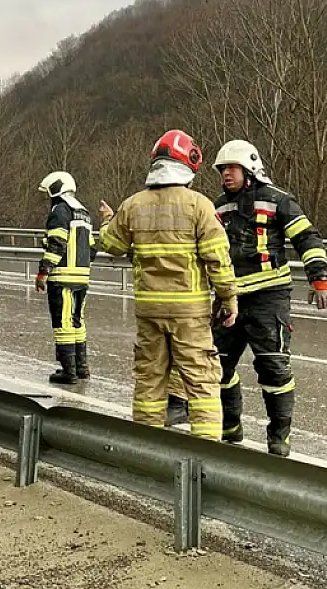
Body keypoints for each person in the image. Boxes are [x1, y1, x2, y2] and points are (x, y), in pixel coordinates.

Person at [165, 140, 327, 457]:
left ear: (250, 169)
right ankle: (230, 428)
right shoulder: (217, 207)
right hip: (229, 300)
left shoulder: (278, 200)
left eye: (232, 168)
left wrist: (319, 278)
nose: (225, 174)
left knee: (273, 368)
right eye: (222, 170)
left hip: (269, 299)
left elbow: (307, 237)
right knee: (217, 366)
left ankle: (278, 438)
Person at [95, 130, 237, 440]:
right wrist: (229, 299)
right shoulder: (199, 206)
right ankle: (206, 451)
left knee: (149, 380)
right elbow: (218, 259)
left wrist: (107, 219)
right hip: (189, 313)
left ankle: (147, 450)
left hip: (149, 310)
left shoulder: (133, 205)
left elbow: (111, 244)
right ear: (188, 165)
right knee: (201, 382)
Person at [34, 171, 96, 384]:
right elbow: (92, 250)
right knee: (77, 321)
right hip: (81, 278)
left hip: (63, 277)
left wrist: (43, 272)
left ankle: (69, 372)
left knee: (63, 323)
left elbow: (57, 243)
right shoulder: (83, 212)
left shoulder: (61, 210)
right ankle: (81, 368)